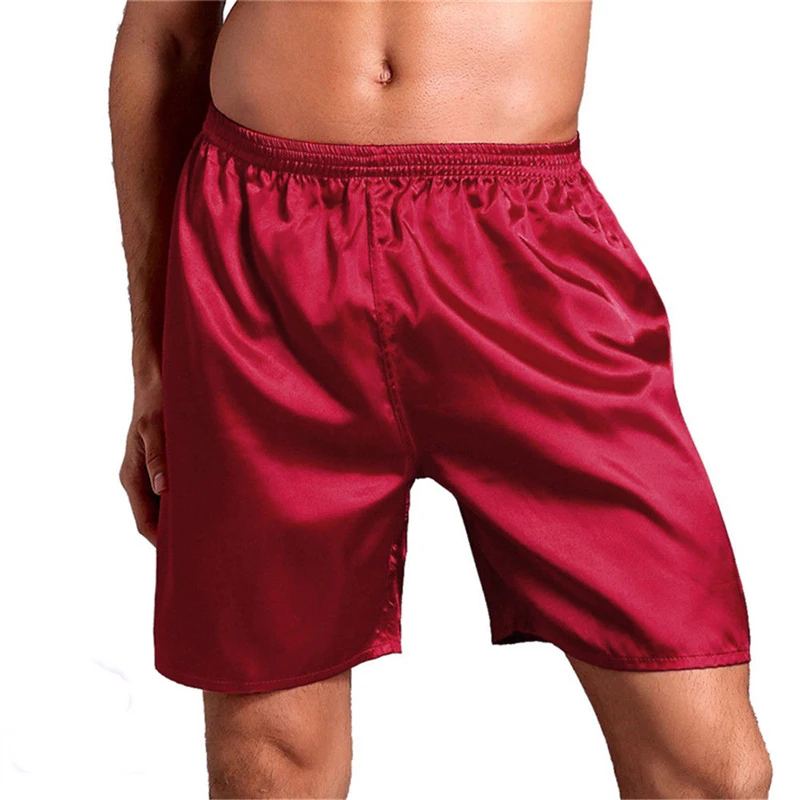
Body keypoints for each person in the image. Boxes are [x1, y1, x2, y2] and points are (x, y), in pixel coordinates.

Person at [110, 2, 772, 798]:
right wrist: (154, 357)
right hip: (259, 257)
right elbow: (166, 39)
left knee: (710, 771)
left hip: (518, 247)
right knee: (269, 767)